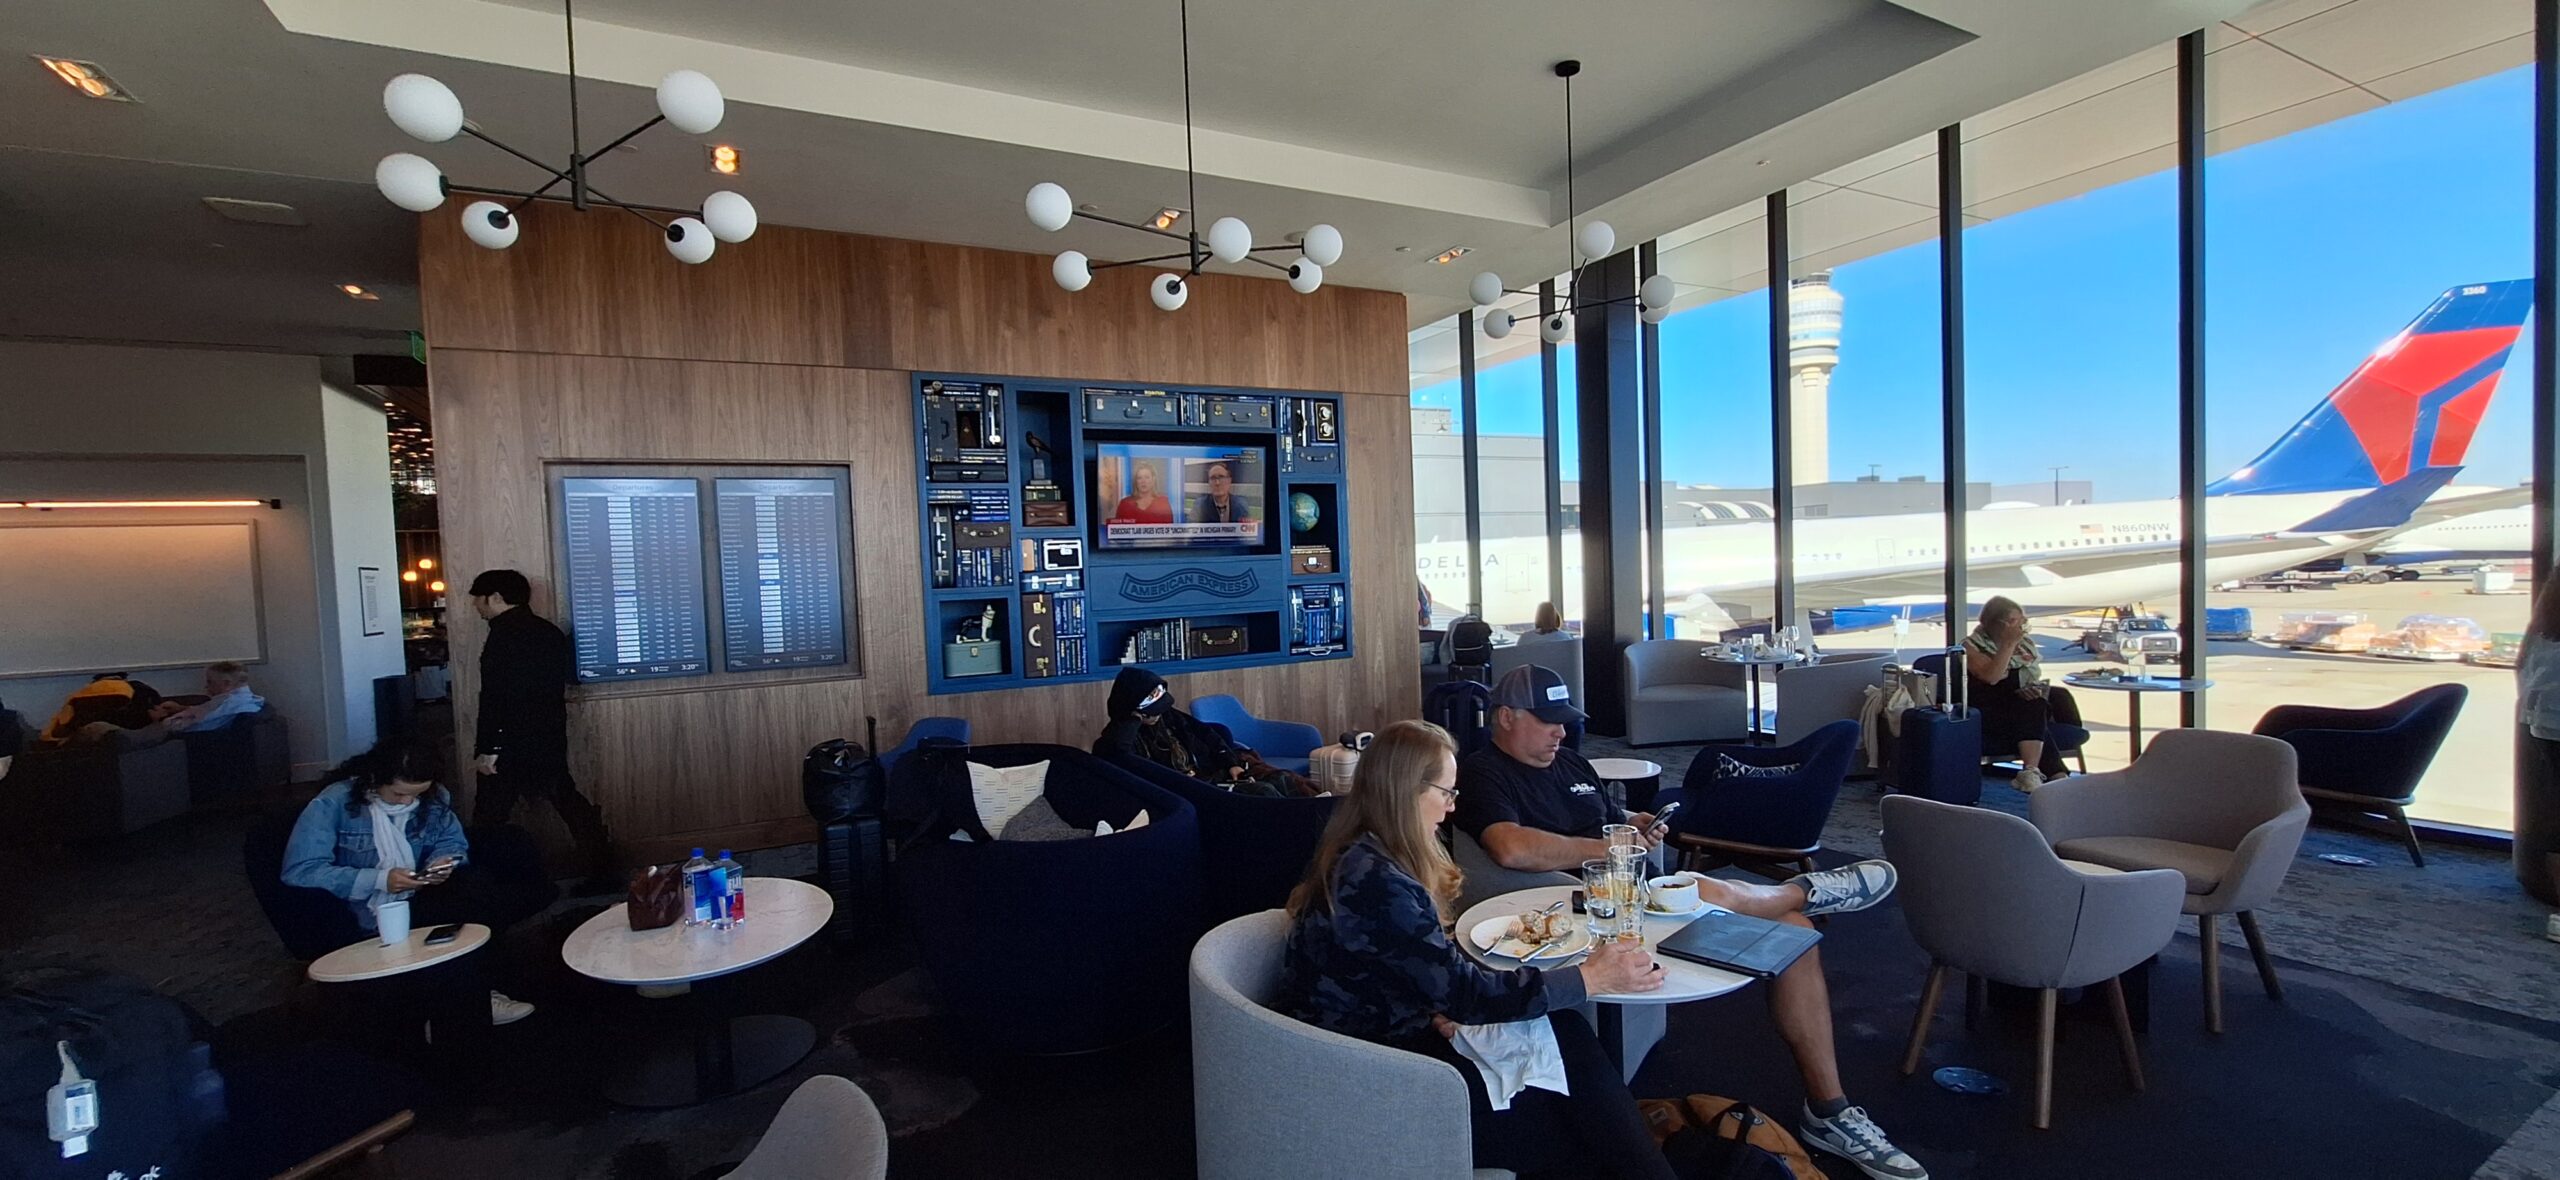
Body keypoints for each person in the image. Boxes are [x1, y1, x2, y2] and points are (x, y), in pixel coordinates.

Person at [1456, 665, 1926, 1180]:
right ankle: (1806, 888)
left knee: (1797, 933)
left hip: (1632, 902)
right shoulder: (1482, 774)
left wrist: (1635, 827)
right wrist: (1609, 846)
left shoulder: (1571, 764)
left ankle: (1829, 1111)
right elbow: (1511, 845)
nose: (1561, 732)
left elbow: (1608, 822)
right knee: (1701, 888)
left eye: (1564, 721)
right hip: (1576, 911)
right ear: (1504, 717)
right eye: (1547, 721)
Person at [1280, 721, 1676, 1179]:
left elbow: (1407, 968)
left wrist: (1434, 1005)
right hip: (1369, 1069)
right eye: (1446, 794)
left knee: (1567, 1039)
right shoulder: (1375, 882)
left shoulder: (1366, 855)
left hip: (1386, 1032)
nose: (1450, 810)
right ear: (1406, 791)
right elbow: (1467, 994)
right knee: (1573, 1110)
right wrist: (1592, 978)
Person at [281, 740, 537, 1025]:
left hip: (416, 893)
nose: (407, 802)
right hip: (361, 905)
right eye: (399, 794)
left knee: (475, 888)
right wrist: (378, 880)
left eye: (416, 795)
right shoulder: (335, 802)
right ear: (376, 779)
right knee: (463, 903)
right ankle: (442, 1005)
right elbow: (301, 870)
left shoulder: (433, 797)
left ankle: (478, 992)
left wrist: (443, 862)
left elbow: (451, 841)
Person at [467, 569, 616, 888]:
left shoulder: (502, 636)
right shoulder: (548, 632)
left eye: (478, 600)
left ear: (495, 598)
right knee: (566, 799)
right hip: (547, 733)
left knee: (488, 815)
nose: (476, 607)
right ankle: (604, 868)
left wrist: (490, 747)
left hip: (510, 741)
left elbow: (496, 697)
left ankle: (484, 882)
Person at [1093, 666, 1307, 797]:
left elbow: (1207, 734)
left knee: (1283, 779)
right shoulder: (1116, 739)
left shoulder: (1169, 717)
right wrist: (1133, 720)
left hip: (1208, 774)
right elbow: (1118, 755)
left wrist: (1230, 762)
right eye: (1150, 713)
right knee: (1263, 792)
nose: (1156, 715)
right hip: (1188, 789)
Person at [1960, 595, 2083, 792]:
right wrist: (2007, 645)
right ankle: (2037, 771)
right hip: (1990, 706)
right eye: (2016, 621)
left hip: (2020, 702)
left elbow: (2031, 674)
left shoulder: (2025, 643)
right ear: (1999, 624)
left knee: (2055, 699)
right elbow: (1991, 677)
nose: (2023, 625)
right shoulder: (1970, 646)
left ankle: (2050, 772)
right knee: (2033, 707)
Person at [150, 661, 267, 733]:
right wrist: (181, 709)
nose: (206, 686)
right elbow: (207, 712)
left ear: (226, 683)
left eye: (210, 682)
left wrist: (160, 719)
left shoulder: (230, 706)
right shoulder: (247, 700)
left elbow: (193, 727)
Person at [1111, 459, 1174, 524]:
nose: (1143, 481)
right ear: (1136, 481)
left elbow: (1169, 530)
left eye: (1147, 477)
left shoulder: (1163, 502)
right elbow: (1117, 530)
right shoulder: (1125, 504)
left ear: (1153, 480)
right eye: (1139, 478)